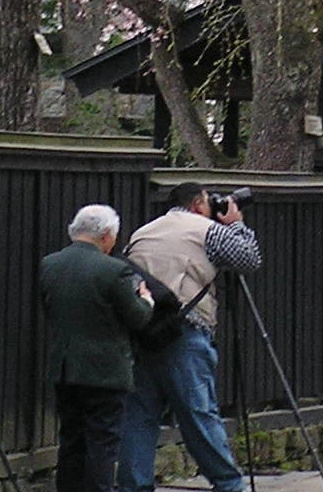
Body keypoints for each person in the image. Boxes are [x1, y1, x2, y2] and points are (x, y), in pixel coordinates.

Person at [115, 183, 262, 492]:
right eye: (210, 202)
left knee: (139, 417)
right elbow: (249, 259)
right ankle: (230, 485)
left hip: (144, 331)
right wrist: (236, 224)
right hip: (186, 333)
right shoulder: (205, 230)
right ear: (197, 204)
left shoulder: (143, 232)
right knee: (199, 414)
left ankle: (133, 486)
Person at [40, 205, 153, 492]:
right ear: (105, 235)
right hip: (105, 371)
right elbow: (137, 318)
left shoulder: (50, 264)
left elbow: (49, 308)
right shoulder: (113, 271)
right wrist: (146, 300)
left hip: (65, 367)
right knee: (102, 443)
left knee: (72, 441)